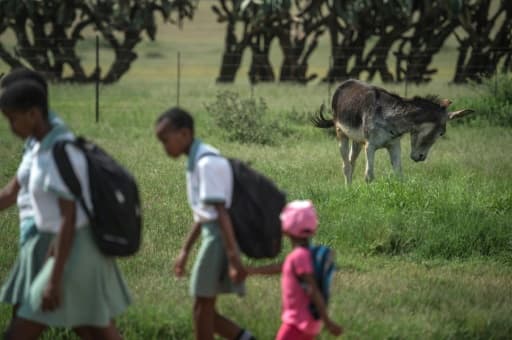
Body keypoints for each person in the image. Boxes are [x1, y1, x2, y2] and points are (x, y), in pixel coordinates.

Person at [0, 76, 131, 340]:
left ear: (34, 114)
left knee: (21, 330)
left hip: (75, 250)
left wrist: (53, 278)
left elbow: (68, 219)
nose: (10, 127)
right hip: (64, 249)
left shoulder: (58, 152)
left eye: (12, 119)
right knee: (93, 329)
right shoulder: (42, 148)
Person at [155, 107, 255, 340]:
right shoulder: (196, 159)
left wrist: (233, 259)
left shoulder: (206, 163)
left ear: (184, 134)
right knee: (203, 309)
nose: (164, 147)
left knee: (202, 307)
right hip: (215, 235)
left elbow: (221, 213)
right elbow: (204, 214)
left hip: (220, 238)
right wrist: (184, 251)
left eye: (165, 140)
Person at [0, 68, 66, 334]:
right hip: (36, 235)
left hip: (47, 238)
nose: (9, 125)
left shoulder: (55, 142)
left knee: (22, 323)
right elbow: (12, 191)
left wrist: (59, 252)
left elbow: (71, 207)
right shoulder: (35, 140)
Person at [247, 200, 343, 340]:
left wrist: (328, 322)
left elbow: (312, 289)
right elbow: (281, 267)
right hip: (308, 324)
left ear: (287, 228)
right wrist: (252, 271)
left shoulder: (298, 257)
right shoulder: (303, 255)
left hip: (296, 323)